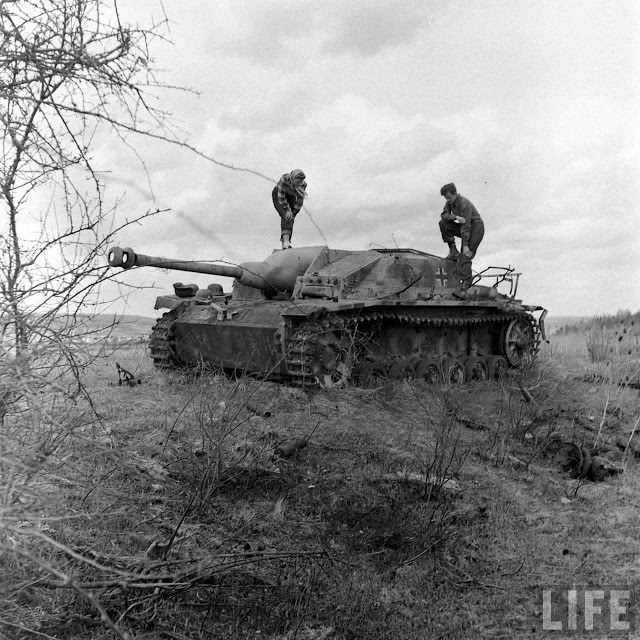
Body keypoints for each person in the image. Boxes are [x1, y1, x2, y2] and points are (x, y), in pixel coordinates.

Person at [438, 182, 485, 297]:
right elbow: (444, 215)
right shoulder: (450, 203)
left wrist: (465, 245)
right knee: (443, 224)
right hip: (465, 227)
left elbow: (466, 226)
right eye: (446, 198)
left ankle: (466, 285)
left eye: (449, 197)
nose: (448, 200)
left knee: (466, 254)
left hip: (476, 228)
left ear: (455, 194)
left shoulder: (464, 204)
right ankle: (453, 251)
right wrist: (454, 217)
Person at [272, 169, 307, 249]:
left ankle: (285, 244)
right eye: (297, 182)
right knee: (286, 215)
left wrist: (294, 213)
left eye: (300, 182)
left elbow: (299, 201)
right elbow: (281, 198)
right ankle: (286, 241)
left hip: (291, 196)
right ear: (293, 179)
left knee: (290, 218)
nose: (299, 184)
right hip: (278, 196)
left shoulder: (303, 185)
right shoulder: (284, 180)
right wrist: (288, 210)